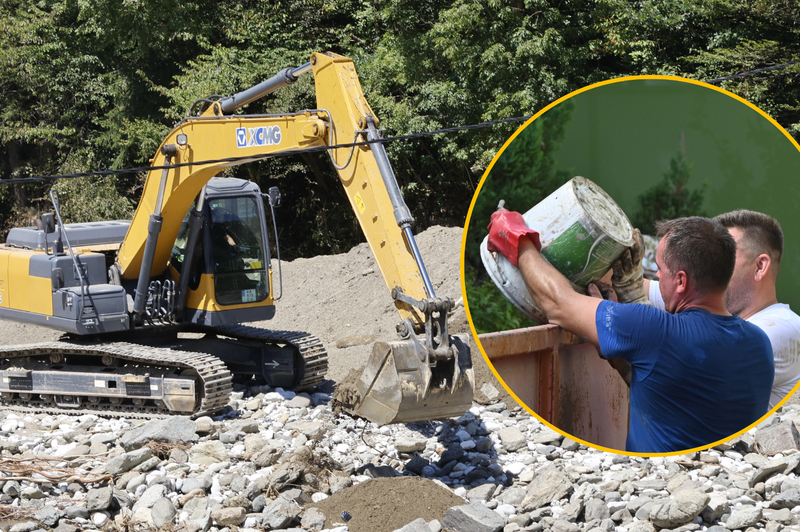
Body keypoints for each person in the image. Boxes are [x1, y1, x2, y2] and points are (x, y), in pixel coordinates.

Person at [487, 210, 773, 453]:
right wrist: (612, 345)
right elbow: (666, 392)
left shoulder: (654, 329)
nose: (657, 276)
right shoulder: (759, 343)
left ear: (682, 282)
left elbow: (558, 304)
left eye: (661, 270)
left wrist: (519, 240)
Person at [646, 210, 800, 409]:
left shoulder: (781, 330)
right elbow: (639, 287)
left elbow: (684, 375)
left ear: (760, 266)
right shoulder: (715, 306)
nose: (711, 268)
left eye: (726, 258)